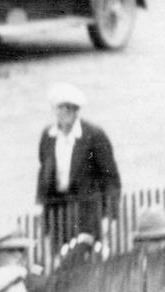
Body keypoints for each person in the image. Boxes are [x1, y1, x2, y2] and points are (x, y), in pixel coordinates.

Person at [36, 83, 122, 252]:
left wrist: (109, 216)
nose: (67, 112)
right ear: (54, 109)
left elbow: (110, 178)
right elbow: (43, 170)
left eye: (72, 108)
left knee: (86, 257)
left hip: (87, 212)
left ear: (77, 111)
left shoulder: (94, 135)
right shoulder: (48, 136)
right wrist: (40, 204)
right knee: (61, 258)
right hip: (58, 212)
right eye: (62, 107)